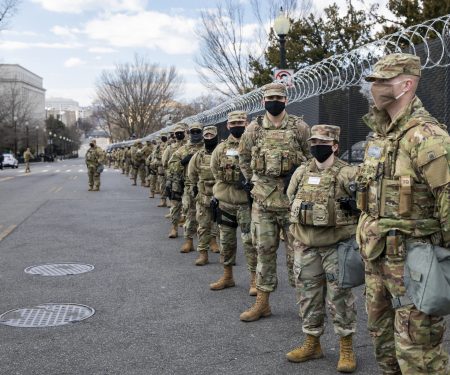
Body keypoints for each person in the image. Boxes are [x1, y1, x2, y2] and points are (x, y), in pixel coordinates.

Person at [357, 53, 450, 374]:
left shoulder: (427, 138)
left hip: (415, 263)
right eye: (374, 82)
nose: (375, 88)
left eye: (383, 82)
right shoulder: (380, 136)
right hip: (377, 259)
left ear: (407, 84)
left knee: (419, 354)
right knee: (384, 347)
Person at [286, 124, 358, 373]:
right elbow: (290, 198)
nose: (317, 147)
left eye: (323, 143)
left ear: (335, 146)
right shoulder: (302, 172)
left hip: (336, 245)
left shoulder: (348, 174)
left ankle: (346, 347)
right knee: (308, 296)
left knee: (340, 298)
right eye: (314, 142)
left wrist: (354, 206)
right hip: (305, 245)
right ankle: (312, 343)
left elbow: (365, 205)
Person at [238, 82, 311, 322]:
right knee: (264, 252)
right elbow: (244, 158)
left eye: (279, 97)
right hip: (264, 202)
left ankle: (304, 305)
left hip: (292, 205)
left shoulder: (299, 127)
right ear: (263, 101)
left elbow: (312, 159)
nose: (274, 101)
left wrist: (299, 178)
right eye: (270, 97)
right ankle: (262, 303)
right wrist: (254, 181)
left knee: (298, 257)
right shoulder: (253, 129)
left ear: (286, 100)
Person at [209, 110, 258, 295]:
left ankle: (254, 280)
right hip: (226, 203)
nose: (237, 126)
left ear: (246, 124)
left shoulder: (254, 145)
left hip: (246, 203)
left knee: (250, 242)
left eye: (241, 123)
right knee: (226, 241)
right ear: (228, 126)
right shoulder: (221, 149)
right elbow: (215, 171)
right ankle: (227, 276)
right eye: (234, 123)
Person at [168, 122, 204, 253]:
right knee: (190, 213)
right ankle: (189, 241)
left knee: (209, 216)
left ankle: (211, 240)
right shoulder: (183, 150)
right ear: (188, 133)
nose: (195, 134)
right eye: (192, 132)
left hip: (207, 186)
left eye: (197, 131)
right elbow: (171, 165)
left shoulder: (208, 147)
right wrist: (183, 161)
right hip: (190, 185)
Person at [188, 125, 220, 266]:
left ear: (216, 136)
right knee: (203, 226)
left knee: (221, 226)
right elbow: (192, 174)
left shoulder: (222, 152)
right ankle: (203, 253)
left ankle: (223, 252)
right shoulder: (198, 156)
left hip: (221, 196)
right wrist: (195, 188)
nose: (208, 138)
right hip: (203, 196)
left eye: (211, 136)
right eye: (206, 136)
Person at [164, 123, 188, 238]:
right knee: (175, 203)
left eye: (181, 132)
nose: (179, 134)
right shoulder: (170, 148)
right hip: (176, 179)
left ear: (185, 133)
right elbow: (166, 164)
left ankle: (189, 227)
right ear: (174, 134)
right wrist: (169, 180)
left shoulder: (190, 146)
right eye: (177, 133)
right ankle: (174, 228)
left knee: (190, 204)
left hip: (189, 178)